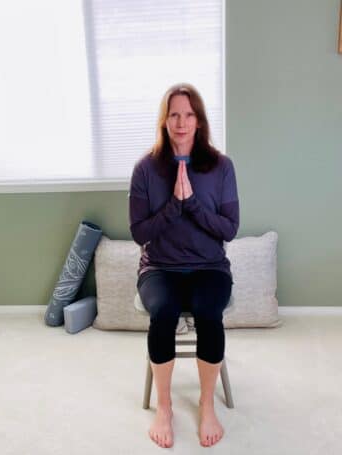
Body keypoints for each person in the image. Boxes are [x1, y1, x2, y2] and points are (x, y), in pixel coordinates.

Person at [128, 83, 239, 448]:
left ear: (199, 120)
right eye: (174, 113)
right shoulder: (146, 169)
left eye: (189, 114)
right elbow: (139, 232)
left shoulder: (221, 167)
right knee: (163, 313)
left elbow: (229, 228)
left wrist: (191, 203)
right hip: (160, 268)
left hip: (210, 267)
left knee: (209, 313)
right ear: (164, 120)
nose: (181, 122)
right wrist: (174, 205)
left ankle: (207, 405)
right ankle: (165, 407)